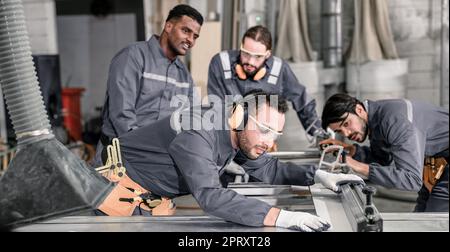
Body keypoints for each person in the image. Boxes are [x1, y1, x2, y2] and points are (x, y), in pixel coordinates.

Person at [102, 91, 363, 231]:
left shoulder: (236, 135)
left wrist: (318, 176)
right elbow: (211, 197)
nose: (269, 141)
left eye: (275, 134)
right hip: (119, 197)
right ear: (238, 116)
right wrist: (281, 217)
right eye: (264, 129)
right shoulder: (198, 129)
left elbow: (269, 167)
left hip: (152, 200)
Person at [94, 4, 203, 165]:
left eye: (195, 36)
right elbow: (122, 114)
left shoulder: (184, 75)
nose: (190, 40)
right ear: (168, 26)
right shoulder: (133, 56)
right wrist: (144, 151)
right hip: (117, 156)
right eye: (186, 31)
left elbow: (191, 119)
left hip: (154, 160)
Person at [320, 94, 449, 212]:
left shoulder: (395, 120)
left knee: (434, 217)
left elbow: (412, 180)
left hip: (441, 162)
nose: (346, 134)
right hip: (438, 161)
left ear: (359, 109)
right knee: (420, 217)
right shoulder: (376, 119)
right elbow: (382, 159)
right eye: (340, 132)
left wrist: (356, 165)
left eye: (347, 124)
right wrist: (351, 150)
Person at [207, 25, 325, 141]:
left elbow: (302, 100)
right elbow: (217, 106)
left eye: (258, 57)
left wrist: (317, 132)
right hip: (228, 139)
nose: (250, 62)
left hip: (262, 142)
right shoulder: (221, 63)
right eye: (246, 54)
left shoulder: (279, 69)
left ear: (268, 54)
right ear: (240, 47)